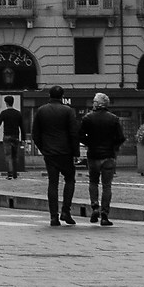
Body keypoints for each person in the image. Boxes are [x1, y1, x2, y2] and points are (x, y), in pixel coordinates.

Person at [31, 86, 80, 227]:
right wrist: (75, 152)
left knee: (53, 183)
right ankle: (66, 210)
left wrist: (43, 148)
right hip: (65, 152)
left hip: (50, 152)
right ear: (62, 96)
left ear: (49, 95)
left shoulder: (41, 110)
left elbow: (35, 134)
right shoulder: (68, 111)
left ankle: (53, 216)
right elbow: (73, 132)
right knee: (70, 179)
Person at [77, 91, 125, 226]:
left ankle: (94, 206)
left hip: (93, 155)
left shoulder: (87, 118)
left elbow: (80, 135)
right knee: (107, 185)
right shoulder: (113, 119)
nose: (92, 103)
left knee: (93, 182)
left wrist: (89, 143)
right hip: (109, 155)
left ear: (98, 104)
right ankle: (105, 213)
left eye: (94, 101)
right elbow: (120, 137)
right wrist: (113, 147)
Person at [0, 92, 24, 178]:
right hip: (16, 136)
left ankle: (10, 174)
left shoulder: (4, 113)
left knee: (8, 156)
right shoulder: (18, 113)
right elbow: (22, 127)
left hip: (7, 136)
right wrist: (23, 138)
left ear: (6, 103)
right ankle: (15, 174)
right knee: (15, 156)